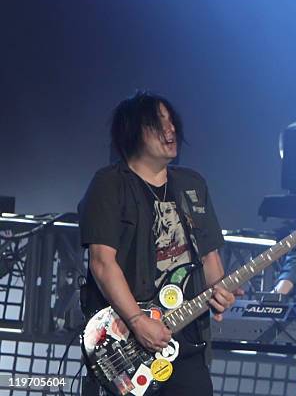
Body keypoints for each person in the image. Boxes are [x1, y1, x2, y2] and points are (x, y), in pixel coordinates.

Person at [79, 91, 239, 395]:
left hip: (185, 342)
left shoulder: (192, 185)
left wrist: (221, 292)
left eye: (171, 121)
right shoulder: (109, 184)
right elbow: (102, 263)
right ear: (132, 132)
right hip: (128, 342)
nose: (170, 129)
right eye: (158, 122)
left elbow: (209, 256)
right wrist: (138, 321)